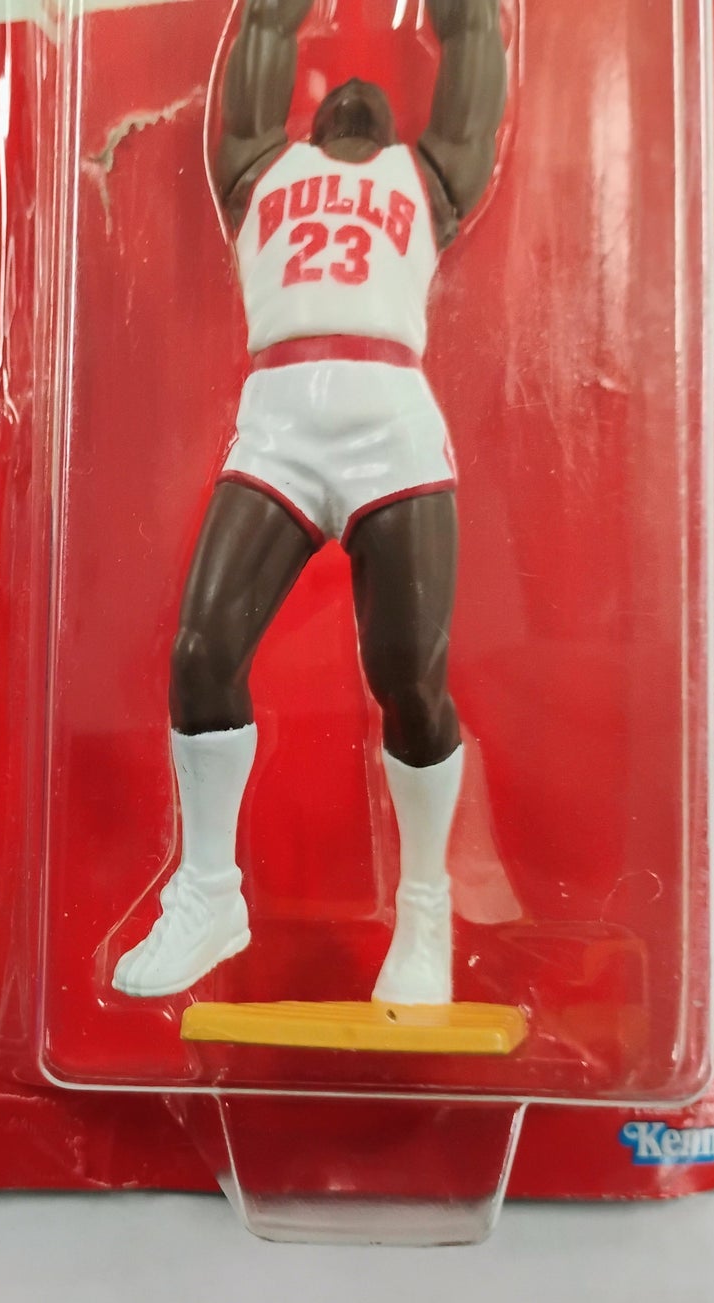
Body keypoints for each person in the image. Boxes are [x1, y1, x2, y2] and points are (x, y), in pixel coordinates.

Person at [112, 0, 507, 1004]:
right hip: (280, 421)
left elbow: (473, 43)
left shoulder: (428, 179)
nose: (361, 88)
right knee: (201, 651)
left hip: (392, 427)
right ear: (311, 116)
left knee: (409, 677)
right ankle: (210, 893)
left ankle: (425, 909)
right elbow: (264, 31)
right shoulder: (258, 171)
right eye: (340, 91)